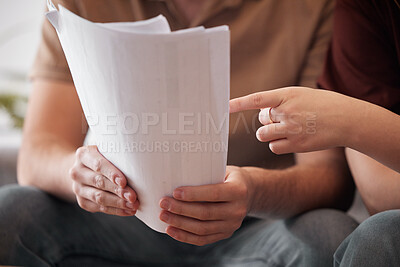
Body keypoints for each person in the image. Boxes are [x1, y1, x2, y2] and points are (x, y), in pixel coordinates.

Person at [0, 0, 359, 266]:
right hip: (125, 217)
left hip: (257, 223)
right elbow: (39, 151)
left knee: (329, 234)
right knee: (13, 212)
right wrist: (80, 175)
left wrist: (253, 192)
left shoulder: (313, 8)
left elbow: (329, 175)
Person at [230, 0, 400, 266]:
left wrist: (351, 119)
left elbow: (343, 178)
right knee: (379, 233)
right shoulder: (369, 9)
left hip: (266, 221)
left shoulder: (313, 10)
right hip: (144, 221)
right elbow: (379, 191)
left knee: (349, 233)